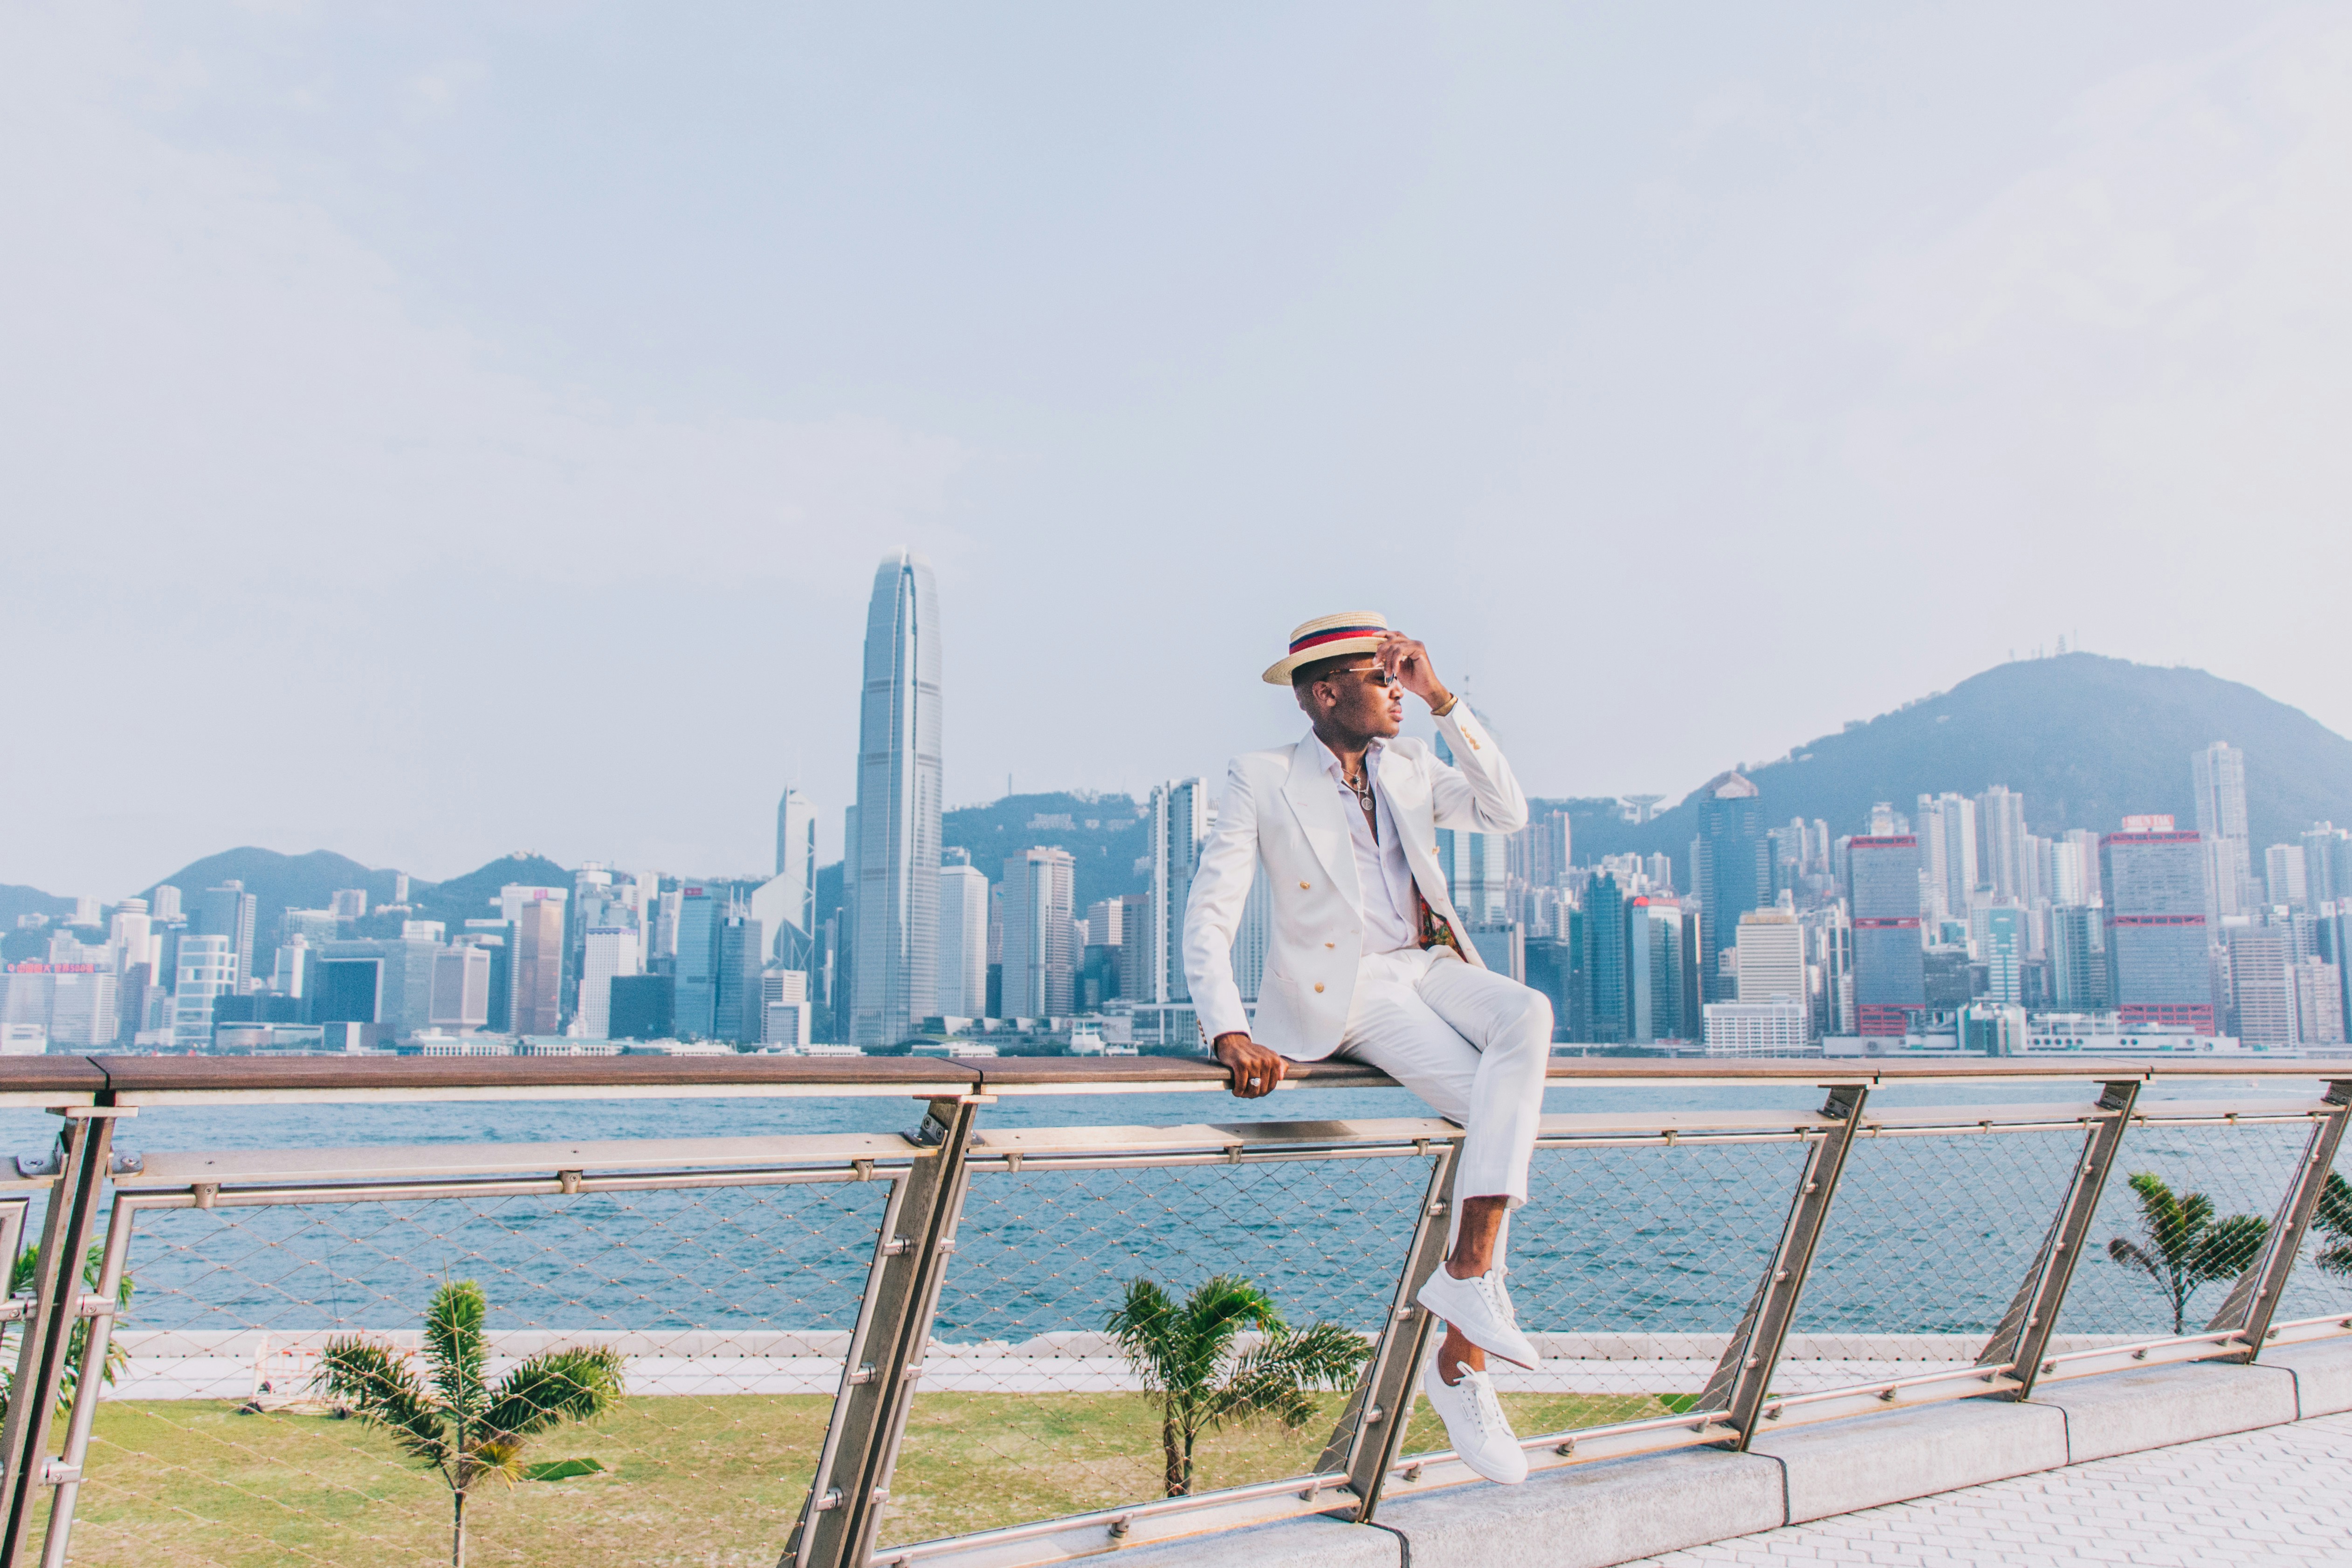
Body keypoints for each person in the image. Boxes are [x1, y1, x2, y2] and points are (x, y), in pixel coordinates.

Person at [1182, 611, 1553, 1485]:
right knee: (1498, 1117)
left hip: (1430, 966)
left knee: (1526, 1016)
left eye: (1400, 673)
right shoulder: (1262, 777)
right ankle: (1461, 1360)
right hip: (1350, 995)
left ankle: (1465, 1284)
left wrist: (1441, 697)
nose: (1395, 687)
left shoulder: (1412, 763)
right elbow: (1212, 907)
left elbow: (1506, 810)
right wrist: (1227, 1026)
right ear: (1325, 692)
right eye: (1380, 675)